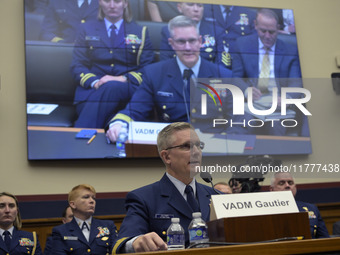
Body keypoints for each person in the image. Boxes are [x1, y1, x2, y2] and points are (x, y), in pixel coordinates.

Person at [106, 15, 246, 143]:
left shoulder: (224, 76)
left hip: (212, 147)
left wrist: (227, 144)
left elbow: (239, 119)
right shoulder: (155, 73)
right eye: (181, 42)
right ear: (171, 44)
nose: (187, 47)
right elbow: (135, 109)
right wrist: (118, 123)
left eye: (192, 41)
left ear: (200, 41)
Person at [112, 122, 216, 253]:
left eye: (199, 145)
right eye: (186, 146)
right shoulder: (144, 198)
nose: (196, 152)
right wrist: (136, 242)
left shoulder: (216, 196)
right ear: (166, 157)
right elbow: (121, 244)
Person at [71, 0, 155, 128]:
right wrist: (95, 82)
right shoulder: (86, 29)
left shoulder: (140, 31)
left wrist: (121, 79)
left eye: (117, 1)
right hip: (92, 92)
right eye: (107, 1)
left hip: (126, 92)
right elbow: (77, 65)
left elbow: (147, 69)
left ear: (125, 3)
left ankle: (81, 136)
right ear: (100, 2)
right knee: (111, 120)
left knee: (111, 86)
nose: (112, 5)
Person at [231, 8, 302, 136]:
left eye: (272, 32)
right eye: (263, 31)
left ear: (278, 28)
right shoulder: (242, 44)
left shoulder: (290, 51)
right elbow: (235, 78)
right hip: (252, 104)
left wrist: (287, 98)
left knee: (277, 128)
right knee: (242, 126)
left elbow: (296, 82)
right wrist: (246, 90)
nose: (267, 36)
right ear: (255, 25)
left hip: (277, 105)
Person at [159, 3, 230, 69]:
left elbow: (221, 65)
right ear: (180, 8)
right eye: (190, 5)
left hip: (207, 78)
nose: (196, 9)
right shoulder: (168, 31)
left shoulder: (216, 31)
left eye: (199, 5)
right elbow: (165, 62)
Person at [51, 184, 117, 254]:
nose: (92, 201)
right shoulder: (61, 231)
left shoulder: (108, 226)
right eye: (86, 197)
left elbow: (116, 252)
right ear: (73, 204)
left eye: (93, 198)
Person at [270, 172, 329, 239]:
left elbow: (324, 238)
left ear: (295, 187)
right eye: (281, 183)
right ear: (272, 189)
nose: (287, 185)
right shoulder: (266, 210)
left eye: (290, 183)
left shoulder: (311, 209)